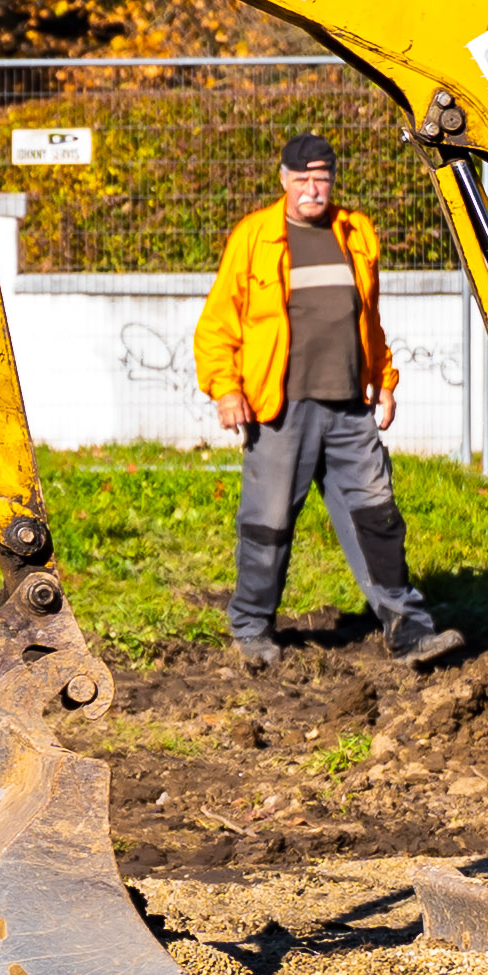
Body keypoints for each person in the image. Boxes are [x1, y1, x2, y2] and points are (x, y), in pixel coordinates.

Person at [194, 130, 464, 668]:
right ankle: (251, 628)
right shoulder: (255, 237)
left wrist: (384, 381)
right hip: (279, 410)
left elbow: (369, 320)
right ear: (283, 180)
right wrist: (226, 390)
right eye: (303, 180)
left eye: (322, 179)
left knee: (377, 517)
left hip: (349, 410)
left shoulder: (355, 233)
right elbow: (217, 324)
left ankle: (408, 630)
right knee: (267, 521)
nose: (313, 190)